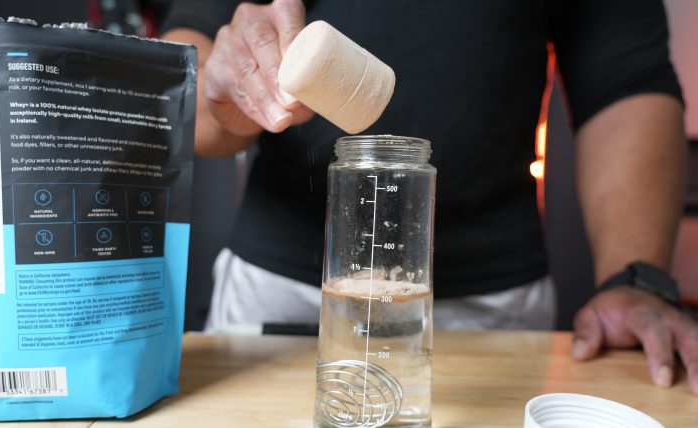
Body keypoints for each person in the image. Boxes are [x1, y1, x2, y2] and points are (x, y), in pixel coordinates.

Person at [162, 0, 698, 395]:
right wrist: (219, 94)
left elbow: (626, 79)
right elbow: (184, 72)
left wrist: (636, 278)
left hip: (498, 304)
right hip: (284, 294)